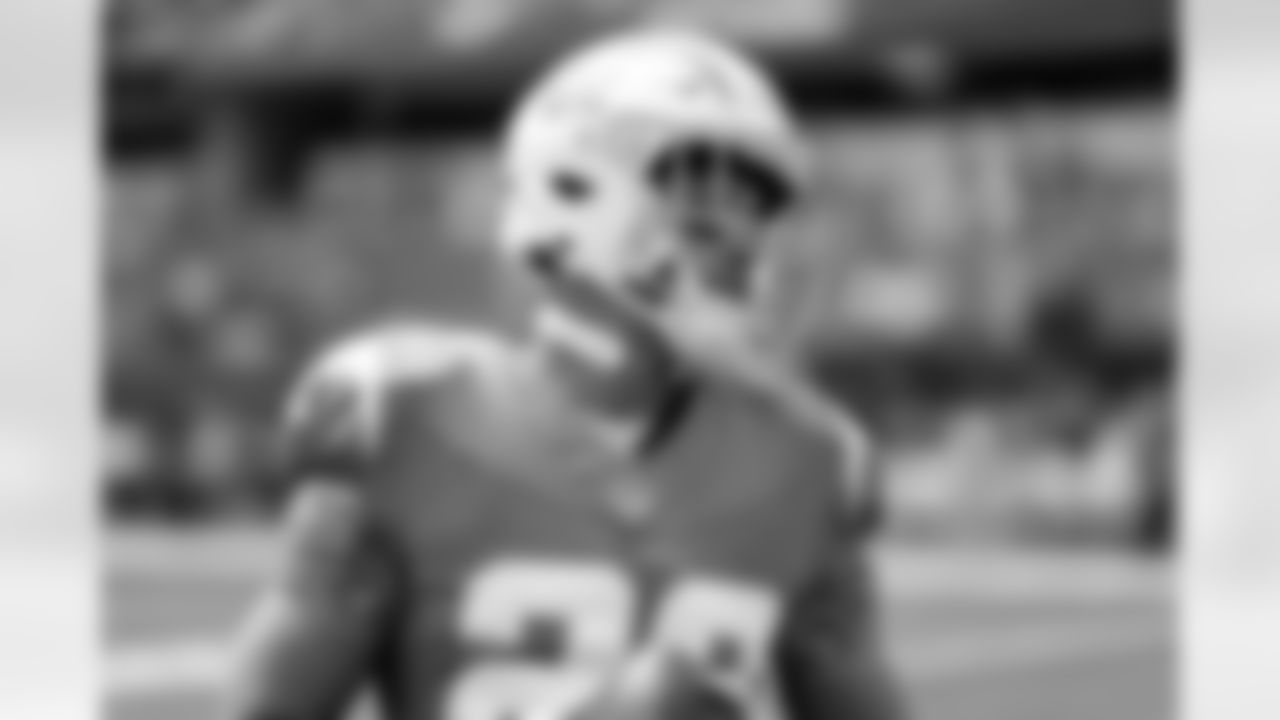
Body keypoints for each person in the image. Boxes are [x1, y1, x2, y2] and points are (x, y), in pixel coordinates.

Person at [223, 27, 905, 720]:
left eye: (751, 227)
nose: (744, 262)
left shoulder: (810, 462)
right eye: (703, 226)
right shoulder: (406, 415)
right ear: (571, 198)